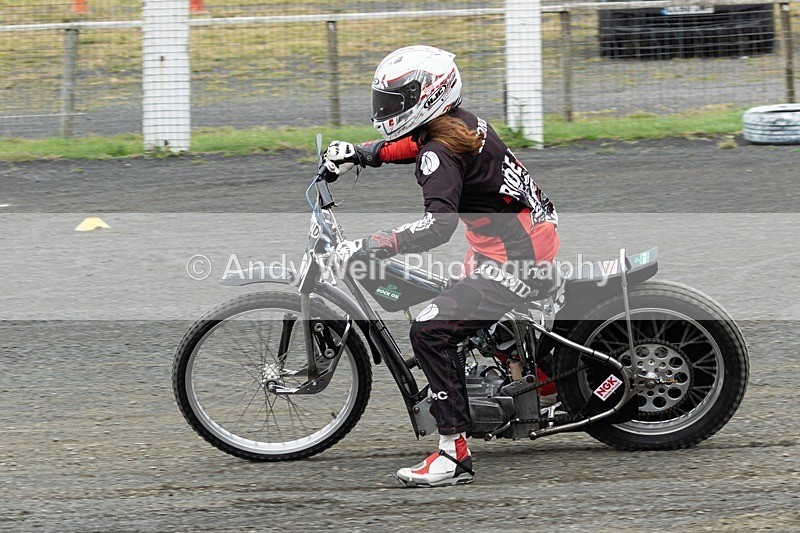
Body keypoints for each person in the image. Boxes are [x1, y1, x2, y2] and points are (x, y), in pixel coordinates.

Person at [322, 45, 559, 488]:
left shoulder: (440, 153)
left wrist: (373, 245)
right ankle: (542, 382)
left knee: (430, 328)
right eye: (384, 100)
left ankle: (453, 455)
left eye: (394, 101)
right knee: (464, 309)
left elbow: (437, 227)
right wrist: (362, 153)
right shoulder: (459, 124)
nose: (385, 110)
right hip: (519, 237)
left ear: (426, 97)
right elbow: (413, 144)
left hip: (516, 256)